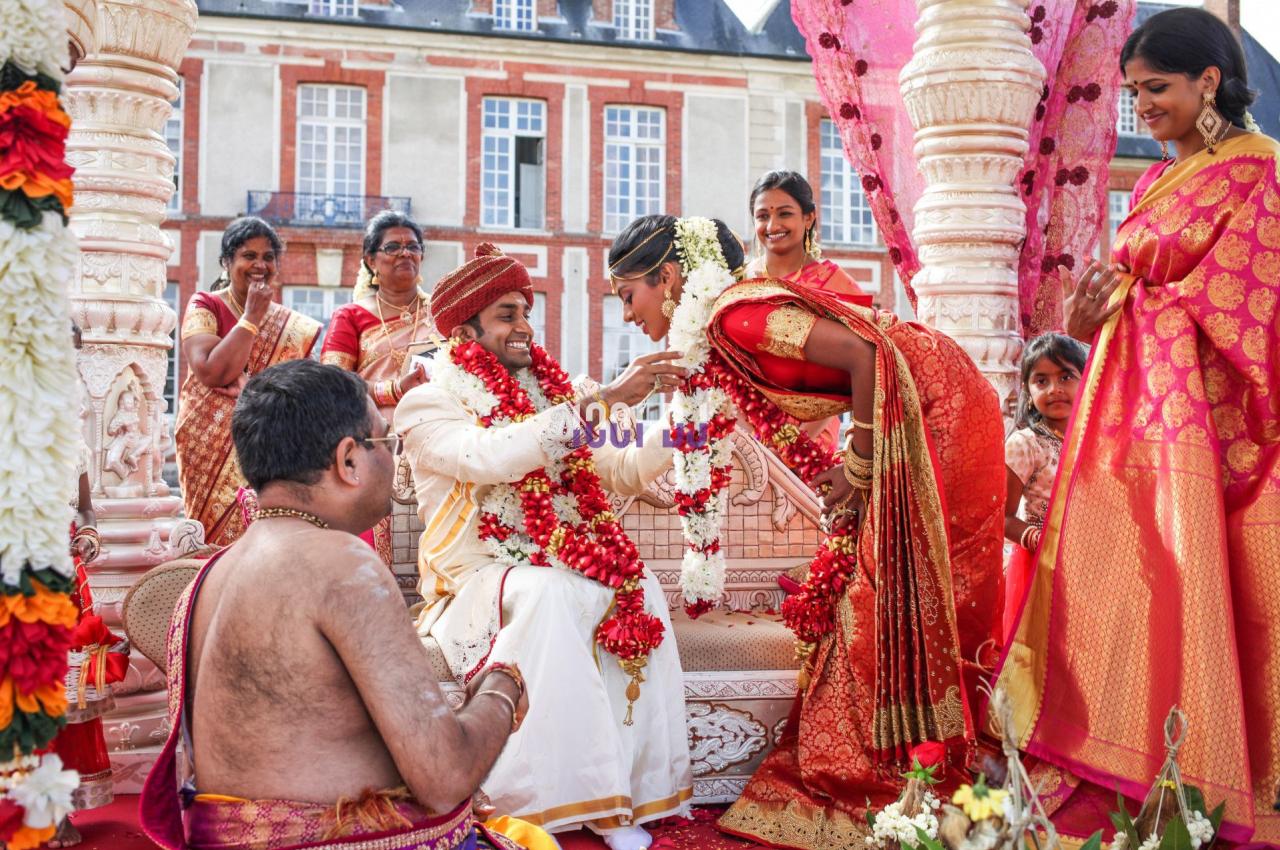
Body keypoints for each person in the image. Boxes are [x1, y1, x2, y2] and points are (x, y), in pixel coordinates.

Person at [607, 215, 1006, 850]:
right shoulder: (720, 334)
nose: (628, 314)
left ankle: (930, 763)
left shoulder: (734, 318)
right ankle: (927, 758)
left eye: (629, 294)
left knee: (913, 590)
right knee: (884, 588)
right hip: (910, 407)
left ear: (671, 277)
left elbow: (864, 354)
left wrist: (860, 464)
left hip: (937, 409)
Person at [995, 8, 1280, 845]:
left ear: (1209, 81)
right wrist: (1097, 317)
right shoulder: (1157, 181)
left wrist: (1140, 299)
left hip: (1212, 429)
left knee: (1209, 590)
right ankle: (1129, 760)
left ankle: (1213, 778)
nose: (1141, 109)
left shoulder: (1259, 172)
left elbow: (1251, 304)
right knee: (1129, 585)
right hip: (1131, 418)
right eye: (1131, 93)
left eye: (1155, 90)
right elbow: (1134, 284)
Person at [140, 359, 552, 850]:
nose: (393, 459)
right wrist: (504, 687)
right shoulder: (340, 564)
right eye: (386, 442)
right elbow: (445, 776)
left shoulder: (211, 575)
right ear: (349, 460)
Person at [396, 244, 693, 850]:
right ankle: (546, 805)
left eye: (526, 312)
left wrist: (696, 425)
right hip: (475, 585)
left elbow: (625, 466)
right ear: (466, 327)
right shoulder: (429, 401)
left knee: (637, 588)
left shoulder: (557, 396)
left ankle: (621, 798)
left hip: (558, 564)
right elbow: (490, 457)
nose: (525, 327)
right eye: (507, 314)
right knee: (552, 595)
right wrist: (602, 401)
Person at [174, 217, 321, 546]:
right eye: (248, 256)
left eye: (268, 257)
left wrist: (251, 390)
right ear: (227, 262)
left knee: (266, 542)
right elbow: (212, 372)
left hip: (270, 445)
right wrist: (252, 317)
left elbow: (302, 393)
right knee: (211, 544)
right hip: (208, 447)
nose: (260, 264)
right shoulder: (205, 305)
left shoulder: (289, 325)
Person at [50, 323, 129, 848]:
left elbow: (83, 505)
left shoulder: (69, 439)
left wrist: (90, 531)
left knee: (59, 695)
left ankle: (52, 811)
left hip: (61, 583)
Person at [321, 210, 438, 564]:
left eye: (413, 246)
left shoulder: (444, 313)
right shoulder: (352, 316)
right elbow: (333, 384)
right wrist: (392, 389)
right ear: (371, 260)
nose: (406, 253)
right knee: (380, 556)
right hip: (377, 445)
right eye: (393, 247)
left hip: (438, 441)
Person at [1000, 333, 1086, 643]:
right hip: (1043, 568)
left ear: (1087, 378)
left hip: (1094, 565)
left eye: (1066, 377)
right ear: (1027, 389)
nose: (1055, 389)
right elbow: (1002, 517)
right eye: (1041, 381)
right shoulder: (1025, 445)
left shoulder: (1098, 439)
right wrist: (1043, 541)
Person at [745, 170, 872, 304]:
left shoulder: (834, 283)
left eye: (784, 214)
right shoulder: (741, 279)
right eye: (763, 216)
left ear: (809, 218)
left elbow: (868, 324)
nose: (772, 226)